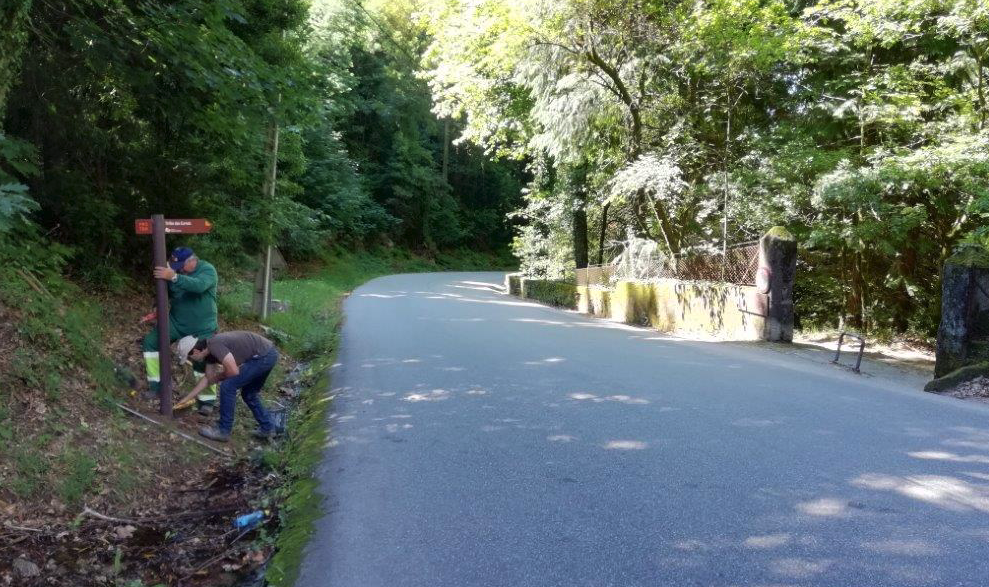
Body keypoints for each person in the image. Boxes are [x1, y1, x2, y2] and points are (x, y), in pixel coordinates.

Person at [142, 247, 218, 398]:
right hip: (176, 322)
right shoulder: (174, 273)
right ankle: (156, 387)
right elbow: (165, 293)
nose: (180, 270)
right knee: (151, 342)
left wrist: (174, 277)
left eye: (182, 266)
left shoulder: (207, 270)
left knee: (202, 360)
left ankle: (206, 401)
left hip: (202, 327)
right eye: (177, 267)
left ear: (192, 261)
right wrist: (157, 308)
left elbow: (199, 286)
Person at [176, 331, 280, 442]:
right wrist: (185, 399)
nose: (191, 360)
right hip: (268, 354)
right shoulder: (210, 352)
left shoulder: (214, 344)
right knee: (249, 393)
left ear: (196, 351)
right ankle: (268, 428)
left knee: (228, 386)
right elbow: (208, 379)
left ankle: (223, 431)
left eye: (189, 357)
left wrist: (217, 379)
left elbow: (233, 371)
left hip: (263, 356)